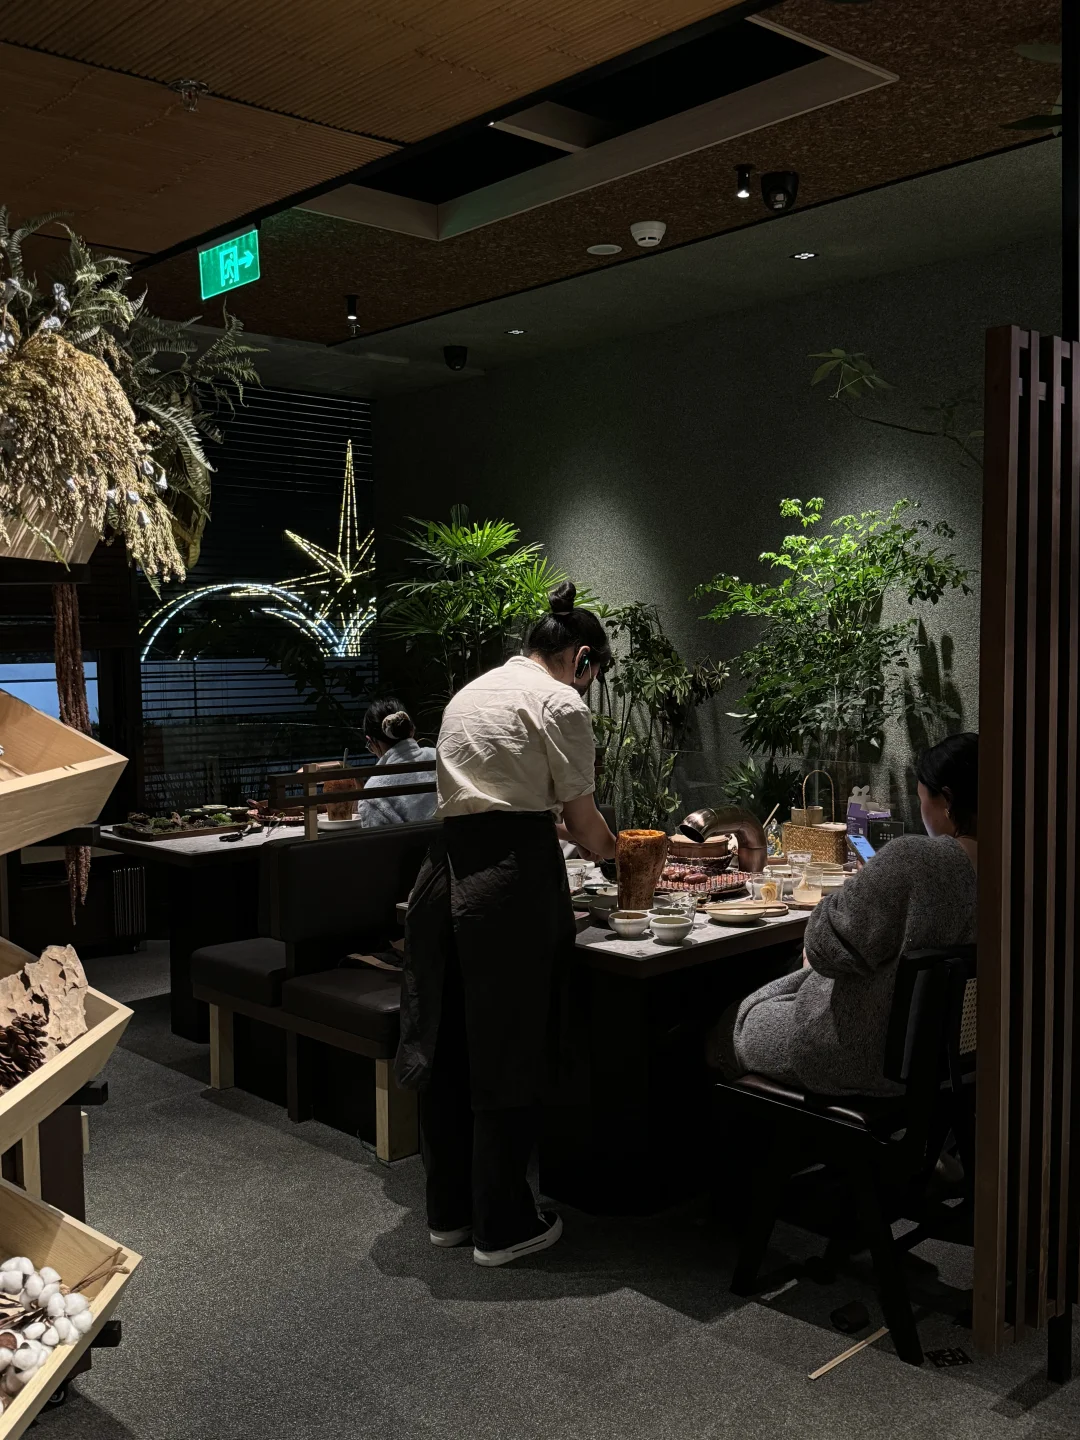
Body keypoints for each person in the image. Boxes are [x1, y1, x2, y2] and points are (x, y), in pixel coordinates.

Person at [396, 582, 618, 1266]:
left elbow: (501, 803)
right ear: (583, 659)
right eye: (594, 673)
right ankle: (504, 1225)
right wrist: (618, 854)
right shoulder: (560, 701)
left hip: (443, 874)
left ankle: (450, 1213)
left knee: (450, 1038)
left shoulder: (471, 692)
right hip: (508, 885)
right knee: (510, 1043)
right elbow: (582, 822)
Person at [707, 732, 978, 1097]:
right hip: (951, 1064)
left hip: (862, 1056)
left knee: (729, 1024)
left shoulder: (917, 859)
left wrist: (869, 881)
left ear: (946, 800)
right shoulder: (1019, 868)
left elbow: (823, 947)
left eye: (921, 800)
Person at [357, 699, 437, 826]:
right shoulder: (440, 758)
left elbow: (376, 838)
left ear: (372, 742)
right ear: (411, 729)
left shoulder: (373, 794)